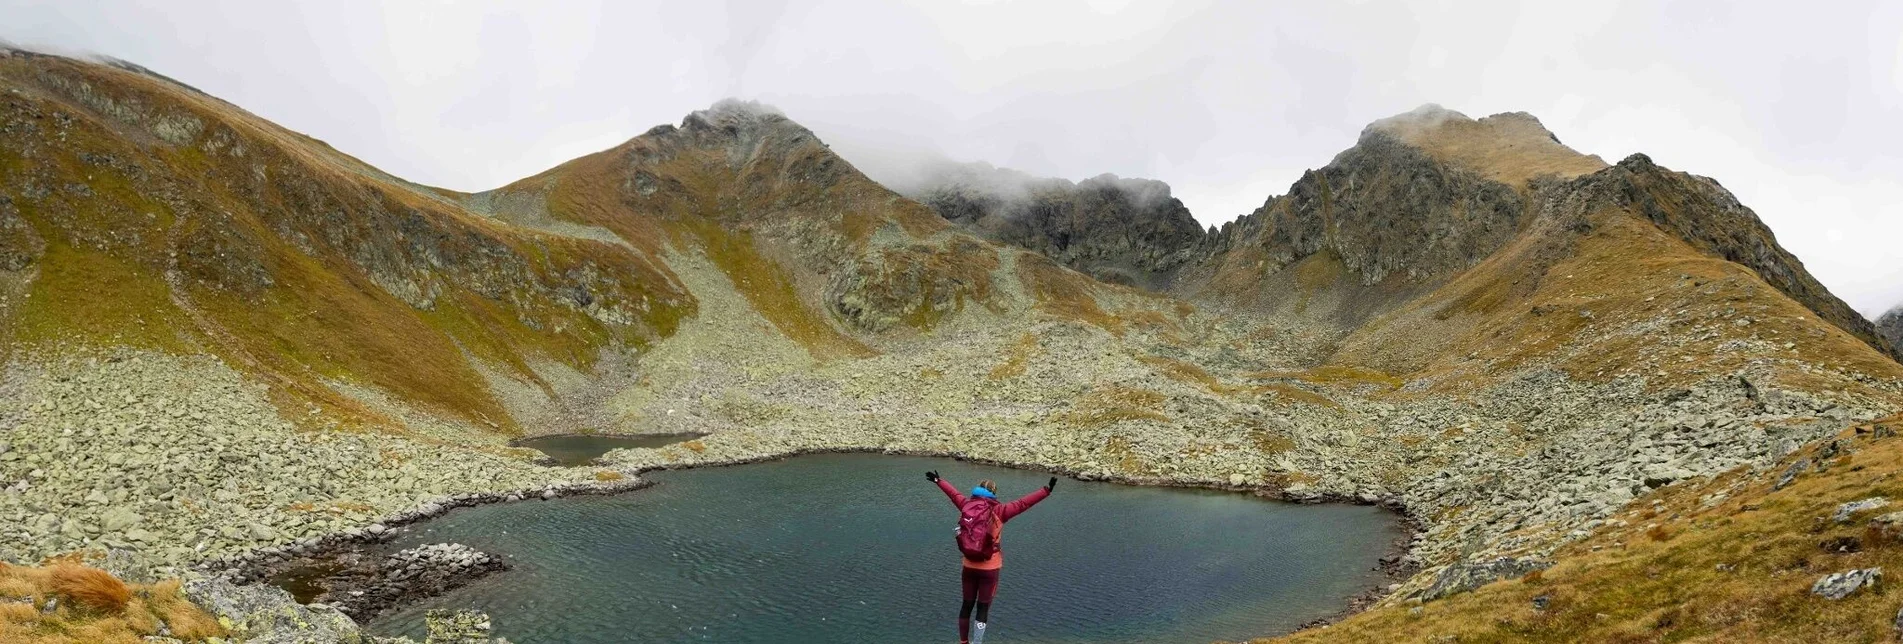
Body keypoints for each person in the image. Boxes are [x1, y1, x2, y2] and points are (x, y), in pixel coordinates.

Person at [926, 470, 1054, 644]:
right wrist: (1046, 490)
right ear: (994, 494)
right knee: (983, 608)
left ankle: (963, 642)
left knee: (966, 605)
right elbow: (1024, 503)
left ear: (976, 490)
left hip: (969, 566)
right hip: (989, 568)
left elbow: (953, 494)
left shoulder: (966, 505)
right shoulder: (1000, 511)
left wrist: (938, 481)